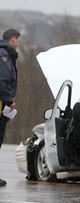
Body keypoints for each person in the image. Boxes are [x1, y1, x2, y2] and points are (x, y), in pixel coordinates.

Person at [0, 28, 21, 187]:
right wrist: (8, 101)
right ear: (12, 39)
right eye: (18, 40)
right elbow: (2, 79)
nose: (19, 43)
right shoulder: (4, 55)